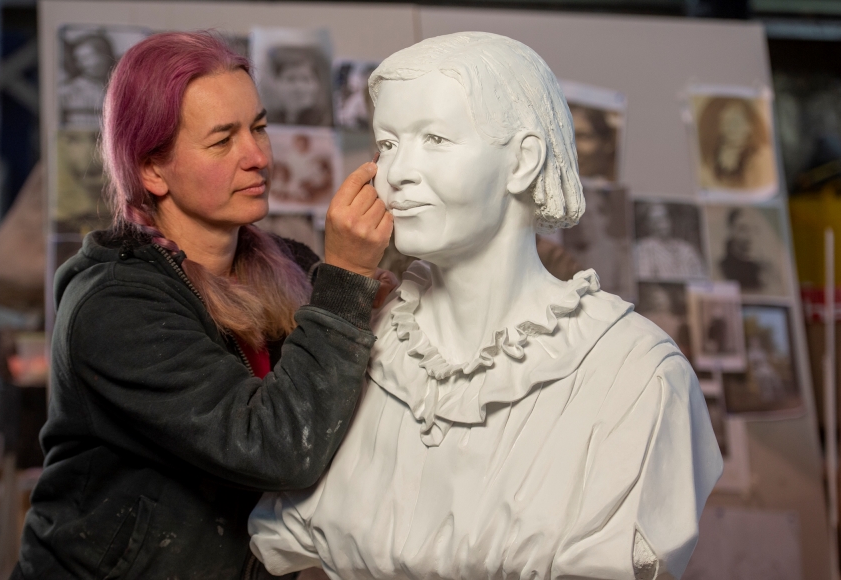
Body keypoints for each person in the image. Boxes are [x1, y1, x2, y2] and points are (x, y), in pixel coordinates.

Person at [250, 32, 722, 580]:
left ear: (522, 162)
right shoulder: (353, 353)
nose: (395, 174)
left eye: (435, 139)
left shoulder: (635, 376)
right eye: (388, 144)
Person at [12, 31, 394, 580]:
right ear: (151, 170)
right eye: (222, 141)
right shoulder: (113, 306)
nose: (258, 156)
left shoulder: (287, 263)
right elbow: (277, 449)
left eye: (259, 127)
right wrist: (347, 279)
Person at [697, 97, 777, 191]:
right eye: (726, 120)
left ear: (750, 125)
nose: (732, 127)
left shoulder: (761, 157)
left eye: (737, 120)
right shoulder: (711, 157)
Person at [635, 202, 706, 280]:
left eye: (664, 218)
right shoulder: (643, 248)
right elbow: (644, 277)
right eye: (656, 220)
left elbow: (701, 277)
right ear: (648, 225)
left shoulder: (687, 249)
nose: (661, 224)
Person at [59, 31, 116, 126]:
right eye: (79, 59)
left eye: (87, 58)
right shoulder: (68, 91)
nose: (82, 64)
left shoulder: (123, 87)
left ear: (105, 56)